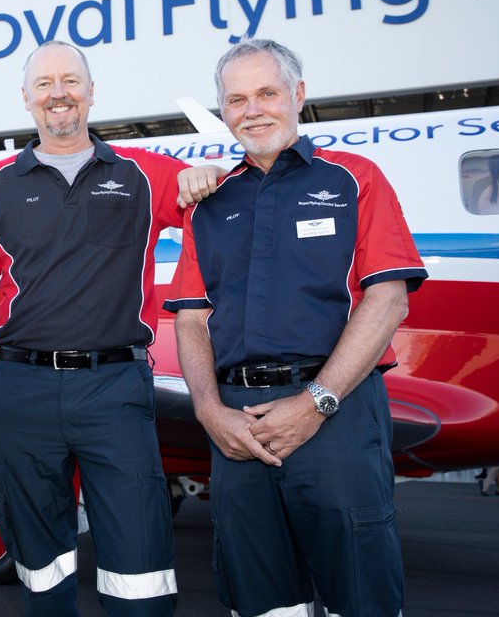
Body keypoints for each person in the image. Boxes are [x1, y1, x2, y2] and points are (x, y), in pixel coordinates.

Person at [165, 38, 429, 617]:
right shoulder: (210, 204)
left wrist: (317, 402)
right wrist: (209, 412)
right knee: (259, 601)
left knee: (360, 595)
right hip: (236, 424)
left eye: (267, 92)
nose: (252, 109)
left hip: (339, 414)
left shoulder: (354, 179)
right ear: (223, 109)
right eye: (236, 99)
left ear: (298, 95)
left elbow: (387, 301)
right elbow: (190, 320)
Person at [0, 40, 216, 616]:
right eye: (44, 83)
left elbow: (212, 195)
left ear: (91, 92)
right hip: (20, 390)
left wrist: (207, 174)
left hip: (115, 388)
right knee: (41, 567)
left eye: (70, 81)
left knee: (140, 569)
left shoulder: (144, 174)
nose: (58, 94)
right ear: (26, 99)